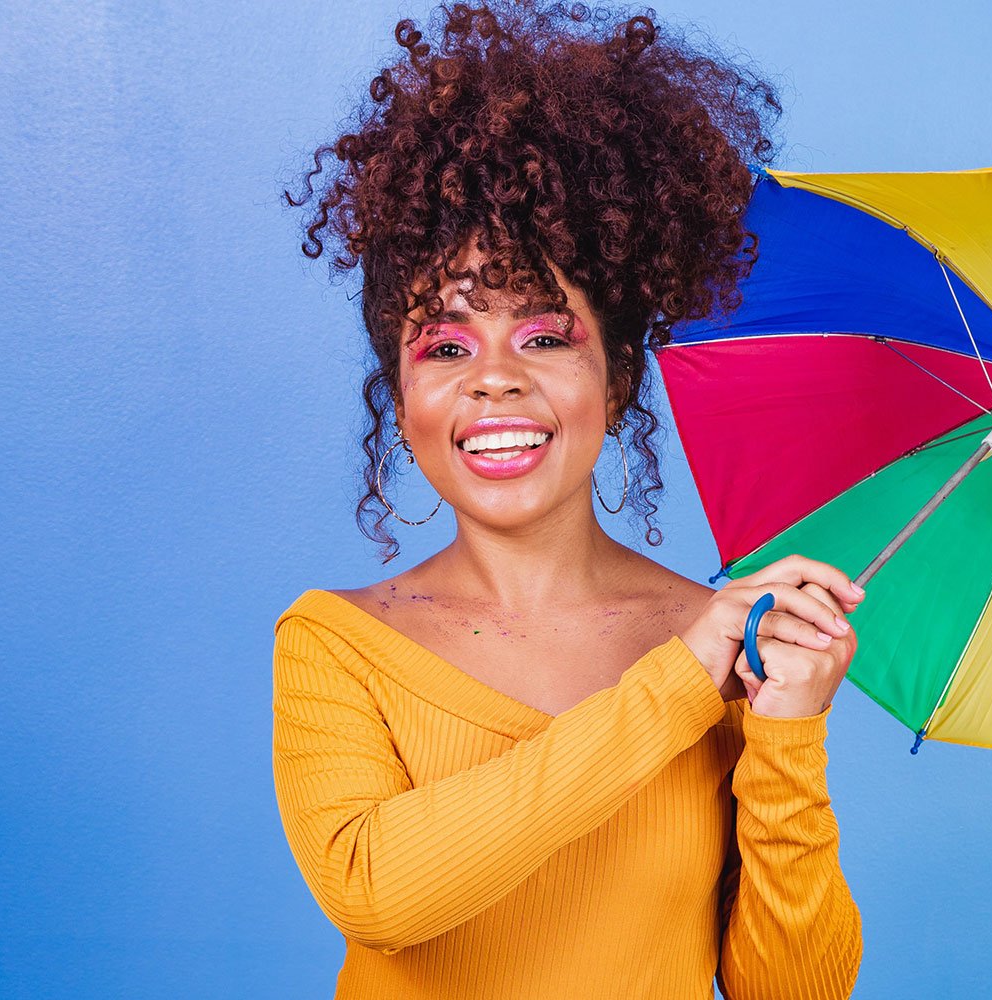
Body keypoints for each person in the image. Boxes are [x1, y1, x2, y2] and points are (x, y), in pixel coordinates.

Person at [273, 2, 865, 996]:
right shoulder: (338, 645)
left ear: (619, 378)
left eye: (545, 337)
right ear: (404, 400)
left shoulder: (725, 651)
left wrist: (789, 732)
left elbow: (791, 990)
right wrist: (675, 686)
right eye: (445, 346)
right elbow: (378, 892)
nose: (495, 379)